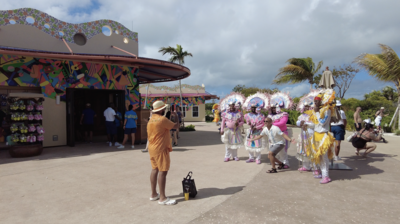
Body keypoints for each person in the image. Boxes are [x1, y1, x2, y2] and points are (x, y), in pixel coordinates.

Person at [147, 100, 178, 205]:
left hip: (152, 148)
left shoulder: (150, 120)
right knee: (163, 172)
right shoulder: (162, 119)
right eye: (164, 108)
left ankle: (153, 194)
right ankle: (163, 198)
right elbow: (176, 126)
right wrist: (176, 116)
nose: (165, 110)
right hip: (160, 148)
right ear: (161, 109)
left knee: (154, 169)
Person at [304, 93, 335, 184]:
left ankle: (326, 176)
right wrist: (306, 124)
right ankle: (323, 173)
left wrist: (317, 112)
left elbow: (322, 122)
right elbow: (315, 124)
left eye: (317, 101)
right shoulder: (316, 111)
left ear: (322, 101)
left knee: (324, 157)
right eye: (314, 101)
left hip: (323, 136)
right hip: (316, 136)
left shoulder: (327, 110)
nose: (315, 103)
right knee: (319, 157)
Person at [296, 103, 317, 174]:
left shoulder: (314, 115)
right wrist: (300, 123)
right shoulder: (301, 116)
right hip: (303, 136)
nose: (306, 108)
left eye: (308, 107)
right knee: (304, 151)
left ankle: (315, 168)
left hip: (312, 136)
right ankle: (306, 166)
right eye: (305, 107)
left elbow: (315, 124)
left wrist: (307, 124)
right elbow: (297, 123)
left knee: (312, 152)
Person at [268, 104, 290, 168]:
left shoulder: (283, 114)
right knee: (273, 149)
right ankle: (278, 162)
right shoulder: (270, 115)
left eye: (274, 108)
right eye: (272, 108)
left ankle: (286, 163)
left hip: (282, 134)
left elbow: (282, 123)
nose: (273, 109)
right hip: (272, 134)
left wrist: (271, 124)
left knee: (282, 150)